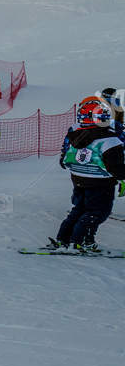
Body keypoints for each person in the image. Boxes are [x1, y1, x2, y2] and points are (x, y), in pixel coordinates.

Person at [50, 96, 125, 251]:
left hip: (79, 179)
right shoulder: (110, 140)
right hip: (101, 182)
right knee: (98, 212)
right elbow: (115, 167)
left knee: (80, 209)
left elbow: (66, 159)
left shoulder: (75, 135)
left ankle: (64, 238)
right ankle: (81, 241)